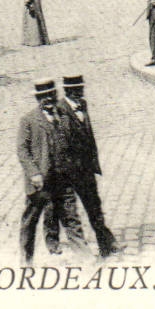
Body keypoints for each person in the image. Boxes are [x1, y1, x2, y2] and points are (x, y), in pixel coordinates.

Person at [16, 79, 81, 262]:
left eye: (52, 95)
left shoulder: (63, 115)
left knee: (71, 216)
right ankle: (26, 259)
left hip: (62, 177)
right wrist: (34, 173)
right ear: (38, 99)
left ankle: (84, 255)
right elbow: (22, 150)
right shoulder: (28, 120)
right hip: (40, 180)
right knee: (30, 220)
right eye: (44, 96)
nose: (49, 99)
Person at [56, 75, 119, 258]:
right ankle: (76, 250)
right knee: (69, 212)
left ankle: (105, 243)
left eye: (81, 88)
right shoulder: (60, 109)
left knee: (94, 207)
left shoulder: (82, 104)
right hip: (69, 171)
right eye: (77, 89)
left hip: (86, 169)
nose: (81, 92)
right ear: (69, 91)